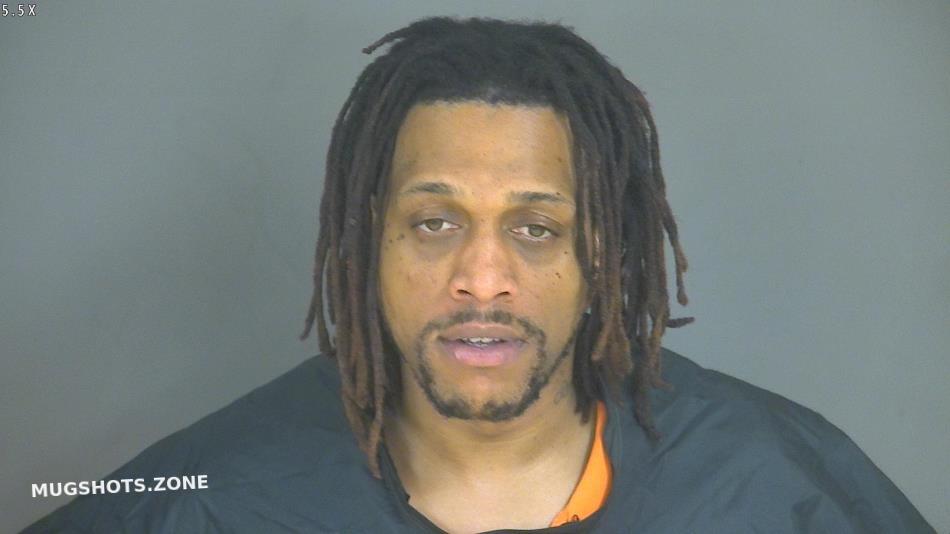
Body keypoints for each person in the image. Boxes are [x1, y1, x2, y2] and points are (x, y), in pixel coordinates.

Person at [24, 16, 934, 533]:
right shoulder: (204, 499)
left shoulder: (777, 482)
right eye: (434, 223)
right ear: (366, 243)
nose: (482, 278)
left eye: (536, 228)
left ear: (606, 256)